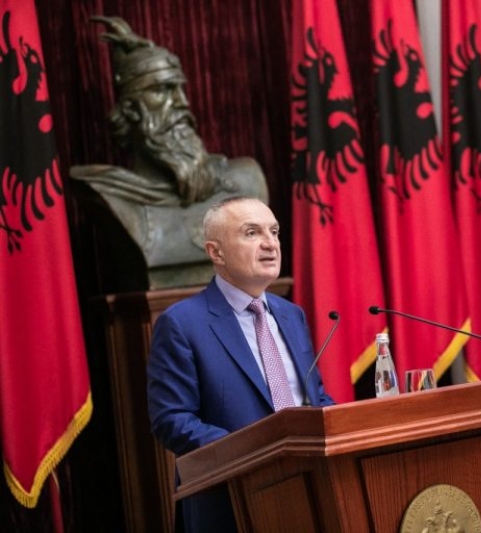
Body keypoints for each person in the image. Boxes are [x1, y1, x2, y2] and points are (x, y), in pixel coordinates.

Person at [147, 196, 335, 532]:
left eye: (274, 232)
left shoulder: (291, 315)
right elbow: (172, 419)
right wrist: (254, 451)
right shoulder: (182, 323)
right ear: (216, 252)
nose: (270, 244)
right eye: (252, 233)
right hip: (230, 503)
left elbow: (315, 398)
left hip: (308, 491)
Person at [70, 16, 268, 287]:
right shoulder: (108, 193)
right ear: (130, 109)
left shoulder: (245, 180)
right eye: (161, 91)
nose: (181, 103)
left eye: (179, 89)